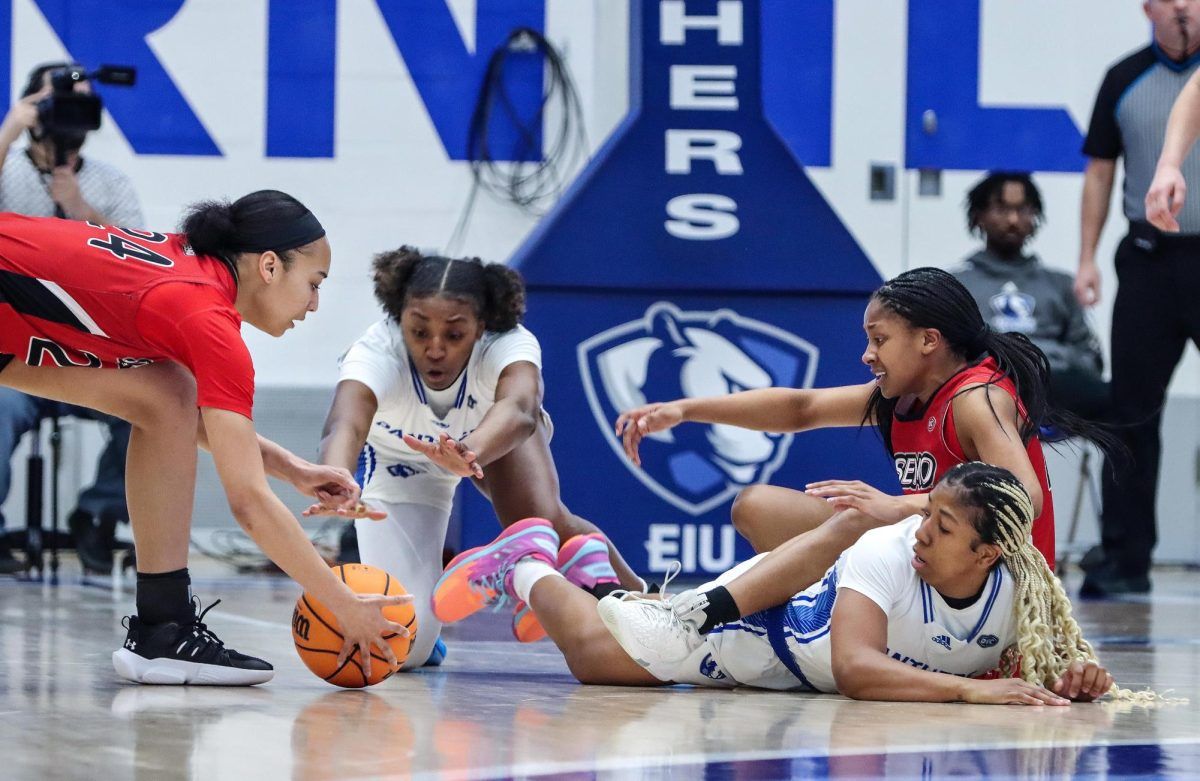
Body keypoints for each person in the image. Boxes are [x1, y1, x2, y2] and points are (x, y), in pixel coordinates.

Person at [0, 192, 410, 685]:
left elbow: (189, 417)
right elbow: (249, 503)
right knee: (168, 395)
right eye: (314, 283)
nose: (315, 303)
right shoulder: (205, 316)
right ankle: (165, 627)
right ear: (270, 266)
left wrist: (293, 469)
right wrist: (344, 605)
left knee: (166, 396)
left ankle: (164, 630)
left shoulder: (191, 274)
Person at [595, 267, 1115, 642]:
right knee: (756, 506)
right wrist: (685, 410)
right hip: (934, 567)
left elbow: (1024, 496)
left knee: (859, 518)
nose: (867, 355)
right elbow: (801, 408)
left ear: (928, 341)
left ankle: (694, 615)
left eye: (879, 340)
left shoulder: (976, 398)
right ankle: (769, 612)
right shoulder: (903, 397)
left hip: (992, 592)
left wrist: (902, 506)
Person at [432, 462, 1119, 705]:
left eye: (940, 526)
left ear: (988, 553)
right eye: (924, 513)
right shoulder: (888, 549)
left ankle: (590, 574)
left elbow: (1059, 667)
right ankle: (525, 562)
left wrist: (1078, 679)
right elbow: (856, 668)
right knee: (592, 659)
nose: (921, 531)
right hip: (763, 626)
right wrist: (972, 689)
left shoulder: (1026, 590)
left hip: (789, 668)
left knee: (613, 629)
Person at [305, 248, 644, 667]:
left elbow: (521, 409)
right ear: (399, 318)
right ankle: (493, 588)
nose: (434, 348)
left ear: (481, 327)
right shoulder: (376, 349)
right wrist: (337, 475)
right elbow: (345, 425)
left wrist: (468, 451)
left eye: (454, 335)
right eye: (419, 331)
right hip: (400, 462)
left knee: (544, 524)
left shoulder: (508, 342)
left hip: (491, 439)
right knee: (404, 647)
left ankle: (645, 602)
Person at [1075, 0, 1200, 596]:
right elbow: (1100, 172)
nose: (1183, 8)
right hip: (1150, 261)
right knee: (1130, 411)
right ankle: (1126, 559)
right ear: (1146, 7)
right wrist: (1086, 257)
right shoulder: (1124, 78)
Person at [0, 61, 145, 574]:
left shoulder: (109, 182)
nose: (68, 114)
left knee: (150, 407)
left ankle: (98, 514)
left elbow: (144, 265)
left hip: (89, 354)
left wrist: (84, 212)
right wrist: (10, 129)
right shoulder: (8, 169)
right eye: (58, 102)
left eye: (80, 104)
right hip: (16, 357)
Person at [954, 172, 1107, 420]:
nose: (1013, 220)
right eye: (1001, 209)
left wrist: (1049, 357)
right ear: (979, 216)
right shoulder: (958, 284)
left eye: (1023, 210)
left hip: (1052, 381)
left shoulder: (1060, 284)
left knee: (1120, 401)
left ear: (1035, 216)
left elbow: (1088, 358)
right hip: (984, 382)